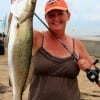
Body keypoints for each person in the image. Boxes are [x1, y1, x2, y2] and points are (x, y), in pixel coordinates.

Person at [28, 0, 99, 100]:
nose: (56, 18)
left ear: (68, 15)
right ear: (46, 18)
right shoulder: (37, 38)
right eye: (51, 15)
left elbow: (97, 77)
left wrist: (89, 69)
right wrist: (17, 6)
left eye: (60, 13)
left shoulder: (76, 44)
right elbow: (15, 27)